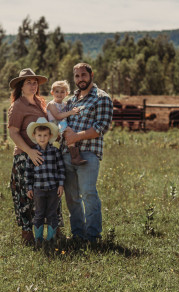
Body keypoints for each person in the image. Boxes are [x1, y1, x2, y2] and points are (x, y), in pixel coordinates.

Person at [8, 68, 64, 245]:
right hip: (25, 156)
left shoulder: (41, 102)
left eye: (35, 82)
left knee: (51, 191)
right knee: (27, 194)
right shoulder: (18, 106)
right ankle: (27, 232)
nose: (33, 85)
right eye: (28, 83)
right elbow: (13, 132)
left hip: (46, 155)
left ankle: (55, 229)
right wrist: (29, 152)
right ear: (21, 86)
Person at [61, 63, 113, 243]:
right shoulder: (71, 100)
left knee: (88, 193)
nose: (80, 79)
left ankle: (92, 236)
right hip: (68, 153)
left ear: (91, 75)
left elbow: (101, 127)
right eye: (76, 76)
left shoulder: (101, 98)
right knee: (72, 197)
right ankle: (77, 234)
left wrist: (76, 136)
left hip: (88, 153)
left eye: (83, 75)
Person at [24, 118, 65, 247]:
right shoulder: (32, 153)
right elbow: (28, 172)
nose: (42, 138)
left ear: (50, 136)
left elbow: (61, 169)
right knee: (39, 213)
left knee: (52, 213)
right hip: (38, 189)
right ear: (34, 136)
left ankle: (51, 240)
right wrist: (29, 188)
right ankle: (39, 240)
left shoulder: (55, 151)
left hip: (53, 189)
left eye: (45, 135)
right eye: (39, 135)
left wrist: (61, 184)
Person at [47, 80, 87, 165]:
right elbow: (57, 116)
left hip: (61, 125)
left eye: (62, 92)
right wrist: (71, 112)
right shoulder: (51, 104)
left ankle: (73, 155)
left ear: (67, 93)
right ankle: (75, 157)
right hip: (53, 125)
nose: (59, 94)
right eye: (56, 91)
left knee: (69, 131)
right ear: (52, 92)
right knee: (69, 132)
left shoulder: (65, 104)